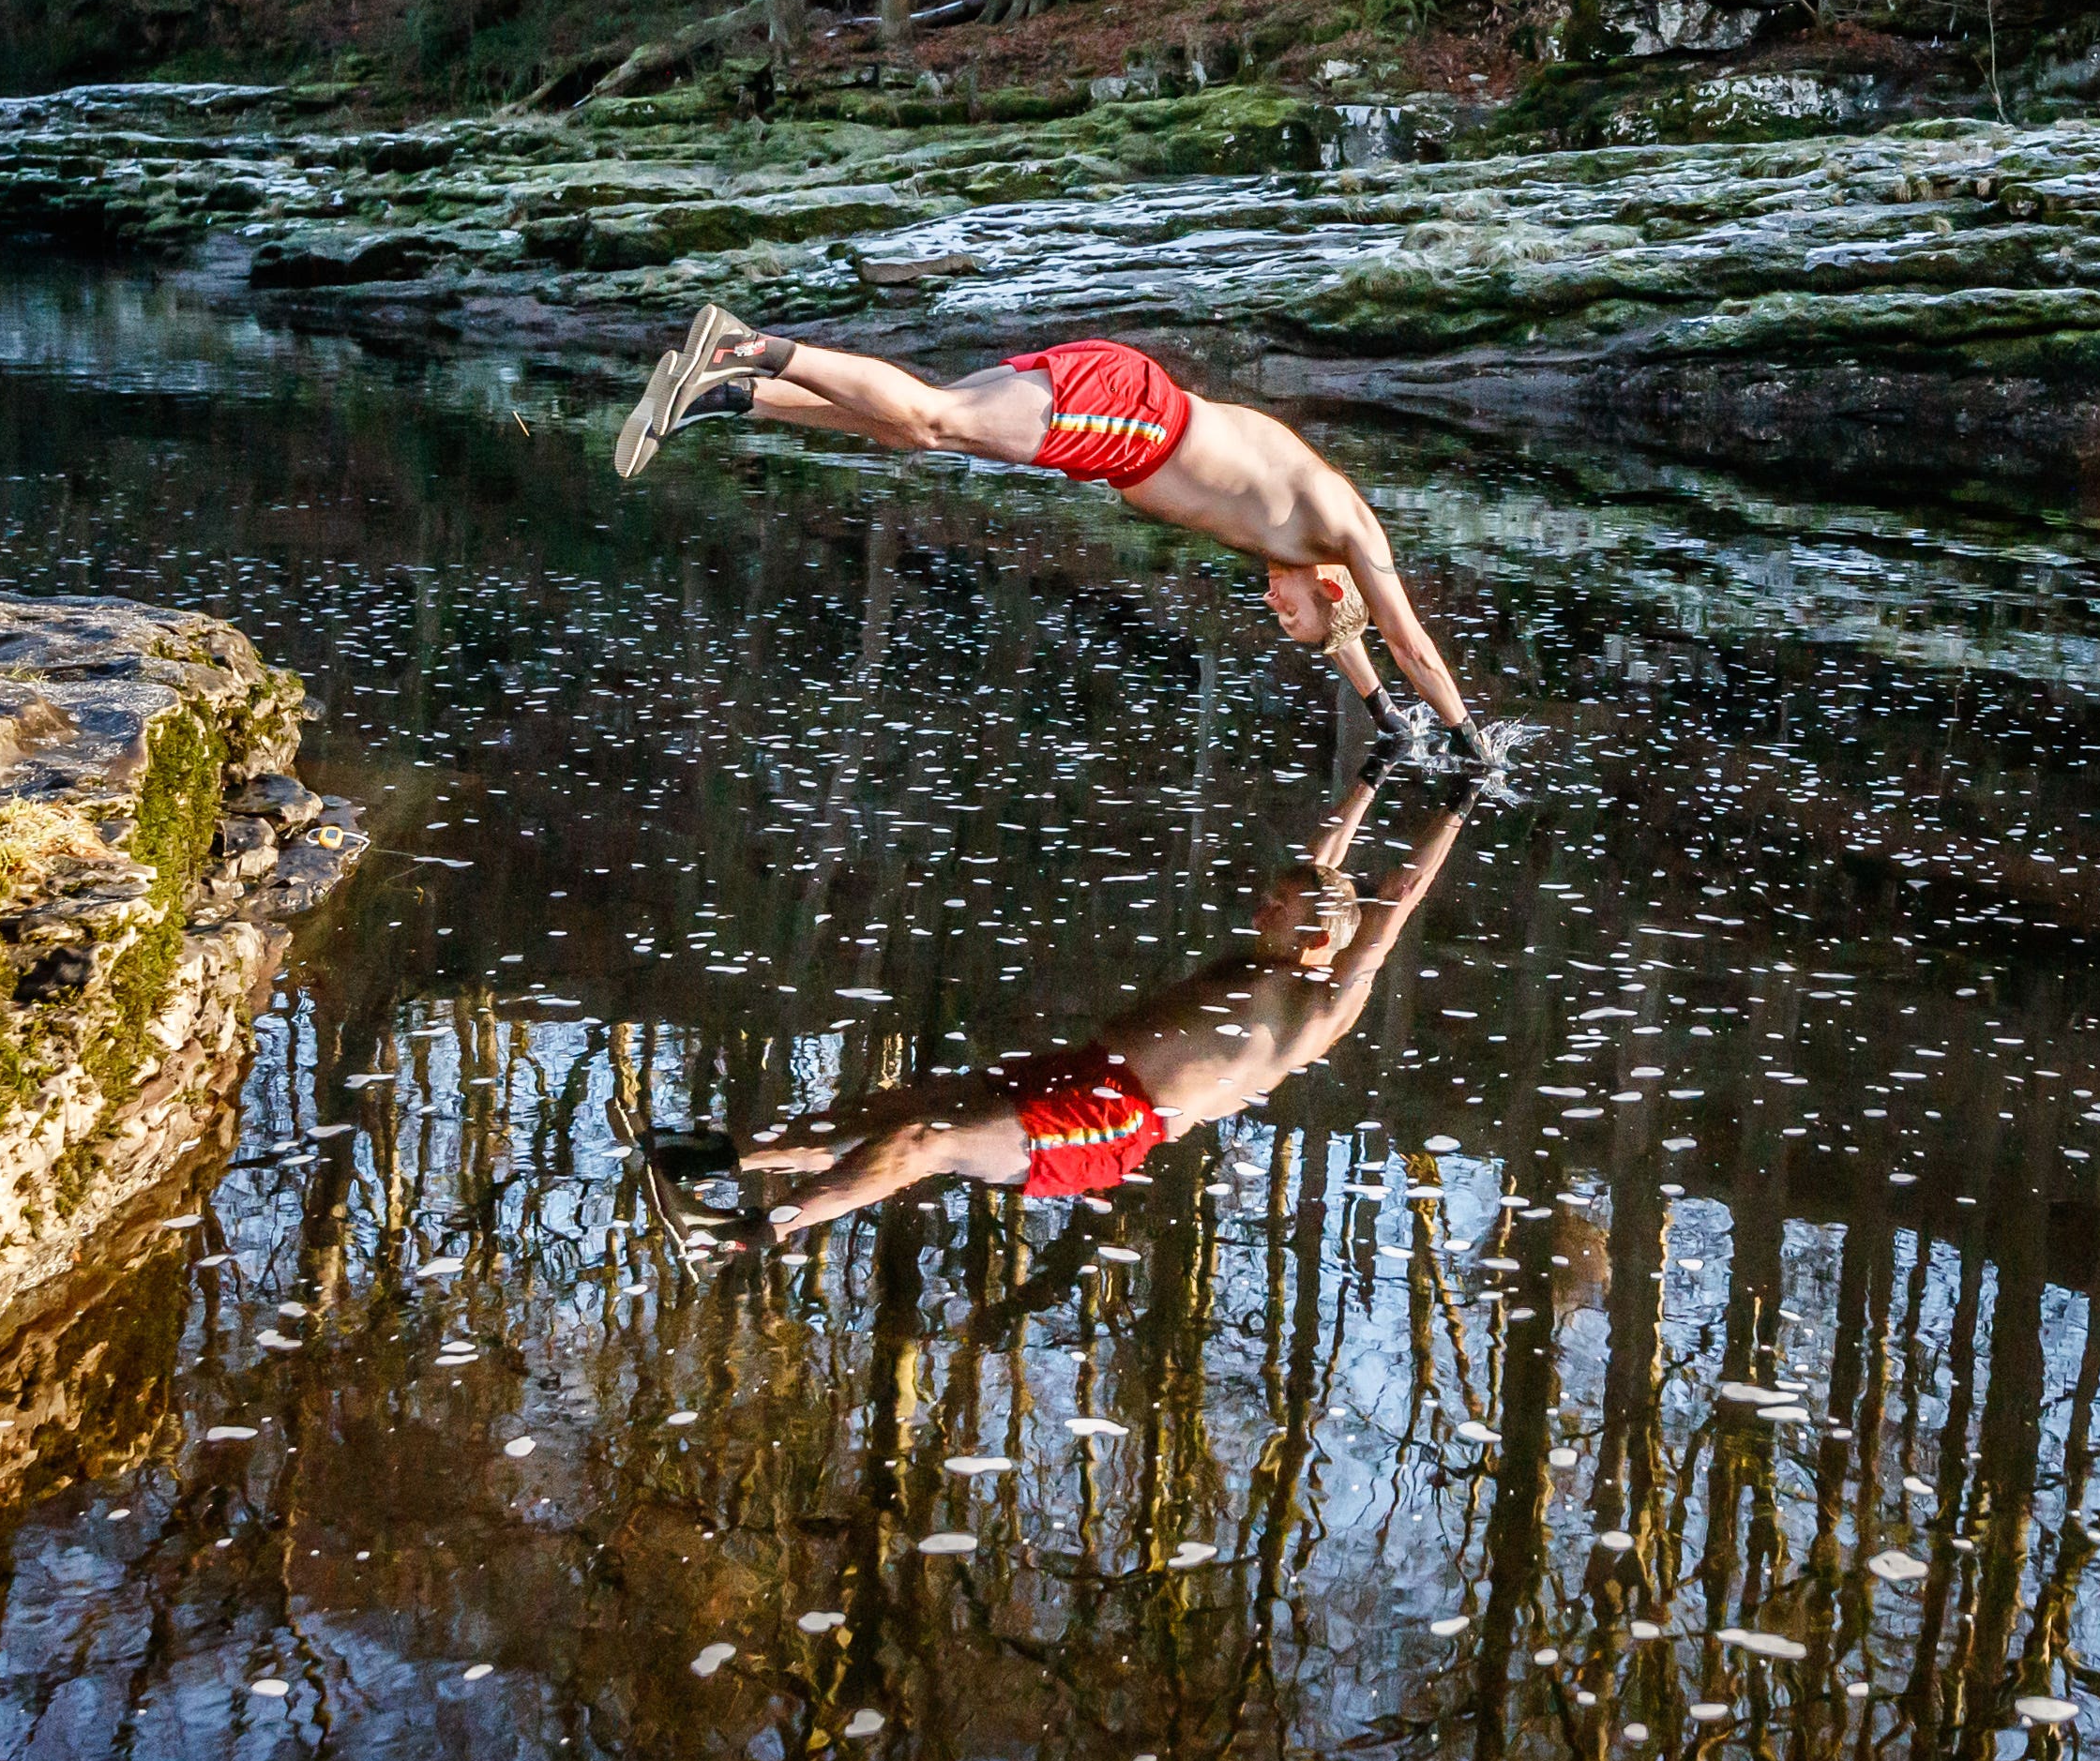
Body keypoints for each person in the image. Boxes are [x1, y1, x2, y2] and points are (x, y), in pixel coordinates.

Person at [621, 304, 1491, 764]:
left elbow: (1351, 639)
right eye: (1284, 608)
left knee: (911, 428)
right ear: (1336, 586)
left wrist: (1385, 714)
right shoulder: (1345, 528)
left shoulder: (1314, 556)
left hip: (1123, 413)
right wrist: (1467, 739)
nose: (1272, 600)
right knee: (929, 420)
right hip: (1135, 419)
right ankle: (747, 346)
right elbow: (1410, 641)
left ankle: (720, 396)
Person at [649, 777, 1470, 1257]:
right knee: (895, 1108)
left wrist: (1458, 803)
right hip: (1082, 1070)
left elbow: (1394, 900)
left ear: (1320, 931)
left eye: (1279, 905)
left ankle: (740, 1237)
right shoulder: (1272, 952)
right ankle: (710, 1158)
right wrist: (1374, 770)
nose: (1264, 905)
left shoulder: (1325, 1001)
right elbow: (1321, 860)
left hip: (1109, 1123)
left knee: (923, 1147)